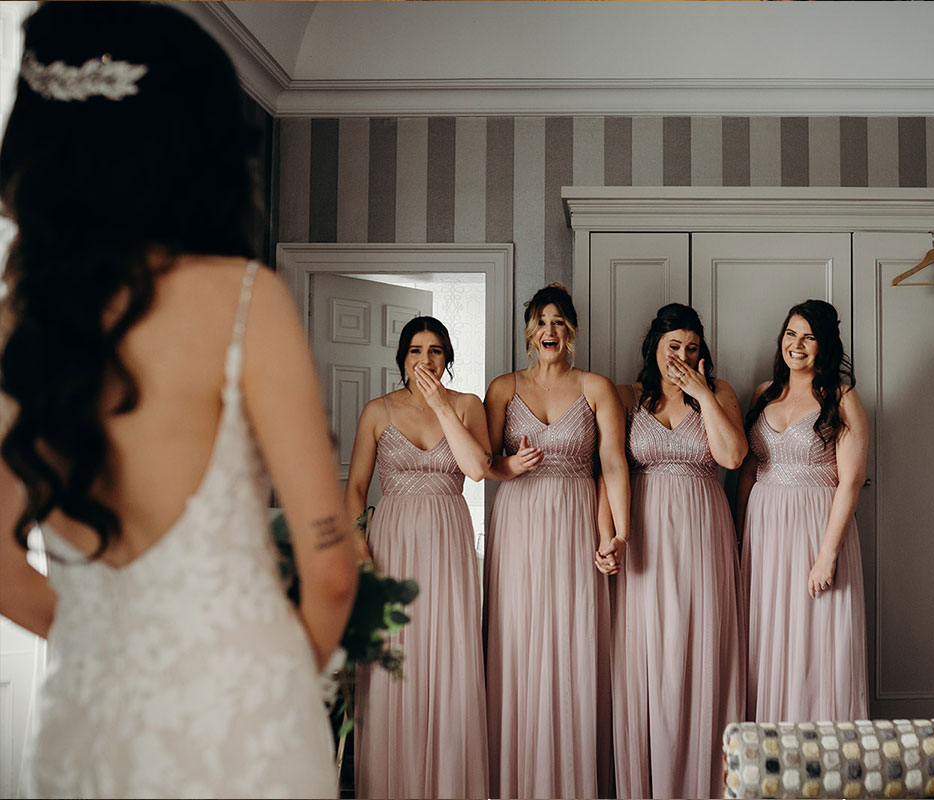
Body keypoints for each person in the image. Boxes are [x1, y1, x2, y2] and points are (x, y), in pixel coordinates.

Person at [0, 4, 359, 797]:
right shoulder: (241, 301)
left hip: (85, 731)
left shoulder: (17, 323)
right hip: (247, 726)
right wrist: (265, 689)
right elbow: (332, 570)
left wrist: (103, 646)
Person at [482, 283, 630, 799]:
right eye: (541, 321)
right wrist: (508, 465)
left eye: (559, 322)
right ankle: (518, 780)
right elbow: (480, 465)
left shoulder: (596, 387)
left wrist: (615, 533)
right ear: (529, 331)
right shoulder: (502, 388)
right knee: (519, 637)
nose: (550, 330)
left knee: (572, 636)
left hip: (574, 519)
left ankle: (571, 780)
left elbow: (612, 464)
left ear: (571, 332)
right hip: (519, 523)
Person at [602, 302, 747, 799]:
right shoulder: (628, 398)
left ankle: (704, 784)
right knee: (648, 653)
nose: (681, 355)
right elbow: (610, 471)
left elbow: (731, 456)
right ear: (654, 348)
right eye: (673, 347)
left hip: (703, 531)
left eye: (690, 347)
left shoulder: (720, 392)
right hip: (644, 534)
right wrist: (610, 536)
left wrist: (702, 393)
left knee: (700, 644)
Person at [344, 316, 490, 799]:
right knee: (395, 662)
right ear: (401, 358)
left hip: (448, 544)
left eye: (435, 351)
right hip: (392, 545)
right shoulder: (376, 412)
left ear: (447, 359)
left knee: (449, 660)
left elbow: (476, 469)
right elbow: (355, 492)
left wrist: (440, 407)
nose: (424, 360)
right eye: (415, 350)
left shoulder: (468, 406)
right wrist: (361, 550)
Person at [736, 299, 870, 723]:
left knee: (817, 635)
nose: (798, 344)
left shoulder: (842, 397)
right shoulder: (762, 394)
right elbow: (749, 468)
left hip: (815, 528)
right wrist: (738, 535)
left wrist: (827, 555)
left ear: (824, 345)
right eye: (791, 334)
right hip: (764, 530)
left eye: (809, 337)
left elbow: (850, 480)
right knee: (769, 635)